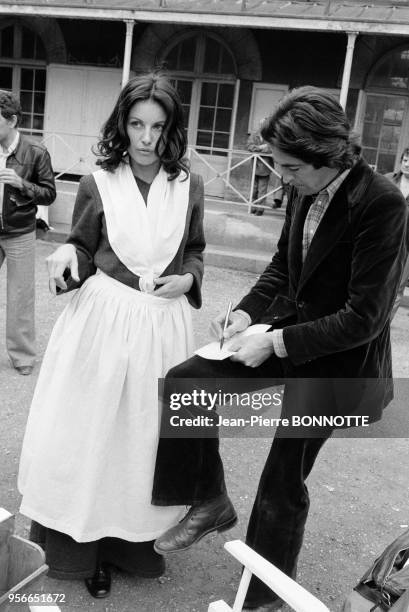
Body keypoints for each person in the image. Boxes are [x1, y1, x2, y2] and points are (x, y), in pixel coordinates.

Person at [150, 87, 408, 611]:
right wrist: (246, 312)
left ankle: (265, 593)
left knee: (281, 477)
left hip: (341, 363)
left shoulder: (383, 203)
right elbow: (282, 270)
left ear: (329, 156)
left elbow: (366, 318)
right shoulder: (304, 187)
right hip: (286, 336)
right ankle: (209, 499)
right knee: (185, 382)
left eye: (289, 167)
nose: (280, 177)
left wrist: (274, 342)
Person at [17, 73, 205, 598]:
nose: (146, 138)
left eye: (158, 127)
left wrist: (189, 278)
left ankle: (131, 547)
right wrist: (64, 255)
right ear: (123, 124)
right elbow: (81, 245)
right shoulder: (98, 181)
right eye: (137, 124)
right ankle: (81, 551)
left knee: (142, 444)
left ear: (172, 130)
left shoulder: (189, 185)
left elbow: (195, 249)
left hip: (161, 328)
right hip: (102, 325)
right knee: (89, 438)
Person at [0, 90, 56, 375]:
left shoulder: (36, 153)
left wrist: (22, 183)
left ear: (12, 121)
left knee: (20, 296)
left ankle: (22, 356)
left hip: (19, 231)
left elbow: (49, 194)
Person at [385, 147, 409, 319]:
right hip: (383, 238)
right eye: (405, 160)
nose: (407, 164)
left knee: (398, 285)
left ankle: (384, 323)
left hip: (406, 243)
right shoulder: (387, 180)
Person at [247, 123, 283, 215]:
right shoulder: (254, 135)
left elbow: (271, 149)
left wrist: (258, 149)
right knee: (253, 189)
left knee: (262, 189)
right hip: (255, 165)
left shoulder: (271, 136)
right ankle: (252, 207)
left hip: (266, 166)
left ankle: (260, 208)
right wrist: (260, 148)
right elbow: (249, 147)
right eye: (262, 125)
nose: (263, 126)